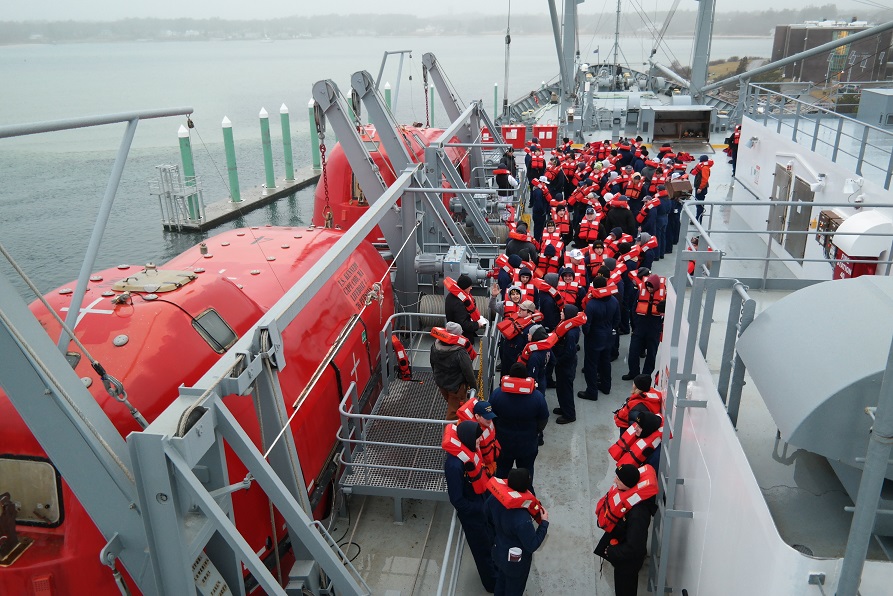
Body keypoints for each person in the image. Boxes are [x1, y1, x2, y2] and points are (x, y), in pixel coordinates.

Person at [443, 421, 497, 592]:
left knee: (492, 537)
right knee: (482, 550)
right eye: (476, 440)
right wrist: (478, 509)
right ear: (467, 439)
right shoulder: (454, 466)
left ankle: (496, 567)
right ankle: (491, 583)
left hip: (481, 501)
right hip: (473, 514)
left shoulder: (469, 451)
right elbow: (457, 499)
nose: (479, 442)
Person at [594, 464, 658, 596]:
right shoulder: (631, 498)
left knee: (625, 590)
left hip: (628, 563)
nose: (614, 481)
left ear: (627, 484)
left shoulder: (638, 514)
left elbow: (635, 547)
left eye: (618, 479)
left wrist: (612, 552)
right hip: (623, 543)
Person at [486, 468, 550, 596]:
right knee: (514, 590)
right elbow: (532, 545)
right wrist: (544, 523)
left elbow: (487, 517)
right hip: (515, 565)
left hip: (498, 552)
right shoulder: (522, 519)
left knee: (501, 582)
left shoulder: (494, 499)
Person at [489, 362, 549, 482]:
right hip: (527, 444)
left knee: (501, 473)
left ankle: (501, 499)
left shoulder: (497, 394)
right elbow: (543, 420)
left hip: (503, 444)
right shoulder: (537, 397)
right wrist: (535, 431)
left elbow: (491, 417)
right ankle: (527, 498)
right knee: (526, 474)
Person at [580, 277, 620, 400]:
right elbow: (617, 319)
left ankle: (592, 392)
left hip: (594, 338)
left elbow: (586, 325)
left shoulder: (591, 304)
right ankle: (606, 386)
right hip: (608, 337)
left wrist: (588, 334)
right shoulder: (614, 300)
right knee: (605, 362)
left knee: (591, 365)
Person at [430, 322, 478, 420]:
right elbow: (468, 371)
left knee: (451, 403)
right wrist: (474, 387)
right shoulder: (460, 352)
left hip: (441, 383)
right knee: (454, 413)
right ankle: (449, 433)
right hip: (456, 387)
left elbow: (432, 363)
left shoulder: (435, 345)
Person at [622, 274, 665, 380]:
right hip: (640, 327)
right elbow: (633, 309)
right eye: (648, 286)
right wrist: (634, 325)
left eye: (651, 287)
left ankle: (645, 376)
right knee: (633, 351)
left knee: (651, 354)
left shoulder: (664, 296)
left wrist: (660, 328)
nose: (649, 289)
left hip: (654, 329)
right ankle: (633, 372)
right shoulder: (640, 293)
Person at [554, 304, 584, 424]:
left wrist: (558, 361)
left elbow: (570, 352)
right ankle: (563, 408)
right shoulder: (568, 327)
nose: (561, 313)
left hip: (566, 364)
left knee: (566, 388)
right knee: (561, 388)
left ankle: (569, 414)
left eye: (563, 312)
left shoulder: (571, 333)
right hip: (564, 362)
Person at [445, 274, 488, 343]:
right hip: (462, 337)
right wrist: (477, 325)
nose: (471, 288)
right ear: (464, 287)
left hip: (455, 332)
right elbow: (463, 324)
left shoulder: (451, 296)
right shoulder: (459, 303)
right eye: (469, 286)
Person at [690, 155, 712, 224]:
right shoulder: (704, 167)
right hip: (700, 187)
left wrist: (700, 188)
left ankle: (697, 219)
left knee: (699, 204)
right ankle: (698, 218)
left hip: (701, 188)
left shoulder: (704, 168)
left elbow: (705, 179)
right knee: (699, 203)